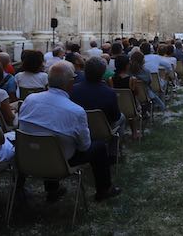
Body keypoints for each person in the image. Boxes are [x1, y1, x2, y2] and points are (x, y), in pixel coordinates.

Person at [18, 61, 120, 201]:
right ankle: (104, 189)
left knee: (46, 135)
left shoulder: (29, 100)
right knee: (99, 147)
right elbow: (84, 146)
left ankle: (52, 189)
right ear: (70, 83)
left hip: (29, 157)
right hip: (61, 161)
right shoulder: (75, 111)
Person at [72, 57, 125, 158]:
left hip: (79, 128)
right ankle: (114, 153)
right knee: (122, 117)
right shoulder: (109, 93)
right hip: (102, 129)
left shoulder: (73, 89)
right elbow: (115, 117)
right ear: (103, 72)